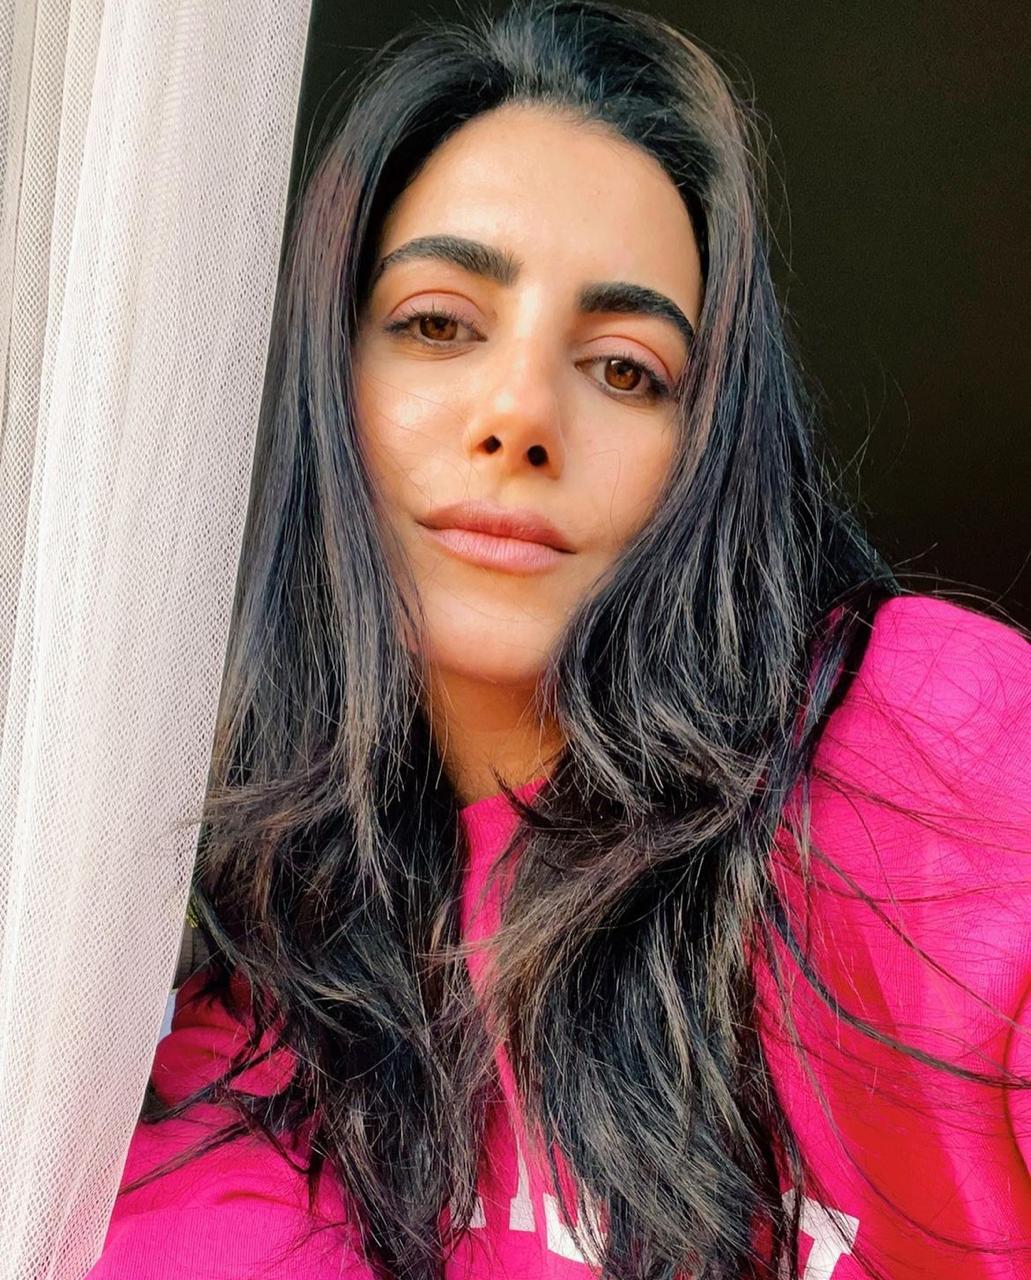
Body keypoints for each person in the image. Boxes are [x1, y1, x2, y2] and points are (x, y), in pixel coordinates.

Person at [87, 1, 1031, 1276]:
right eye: (437, 322)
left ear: (706, 454)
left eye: (626, 367)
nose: (521, 414)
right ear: (327, 381)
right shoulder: (246, 1022)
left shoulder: (936, 746)